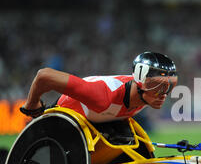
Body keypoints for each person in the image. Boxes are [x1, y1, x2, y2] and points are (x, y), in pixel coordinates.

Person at [19, 51, 178, 123]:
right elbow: (44, 76)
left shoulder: (145, 95)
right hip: (61, 120)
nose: (163, 94)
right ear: (140, 82)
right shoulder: (102, 96)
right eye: (157, 86)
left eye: (168, 87)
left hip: (98, 120)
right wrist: (32, 106)